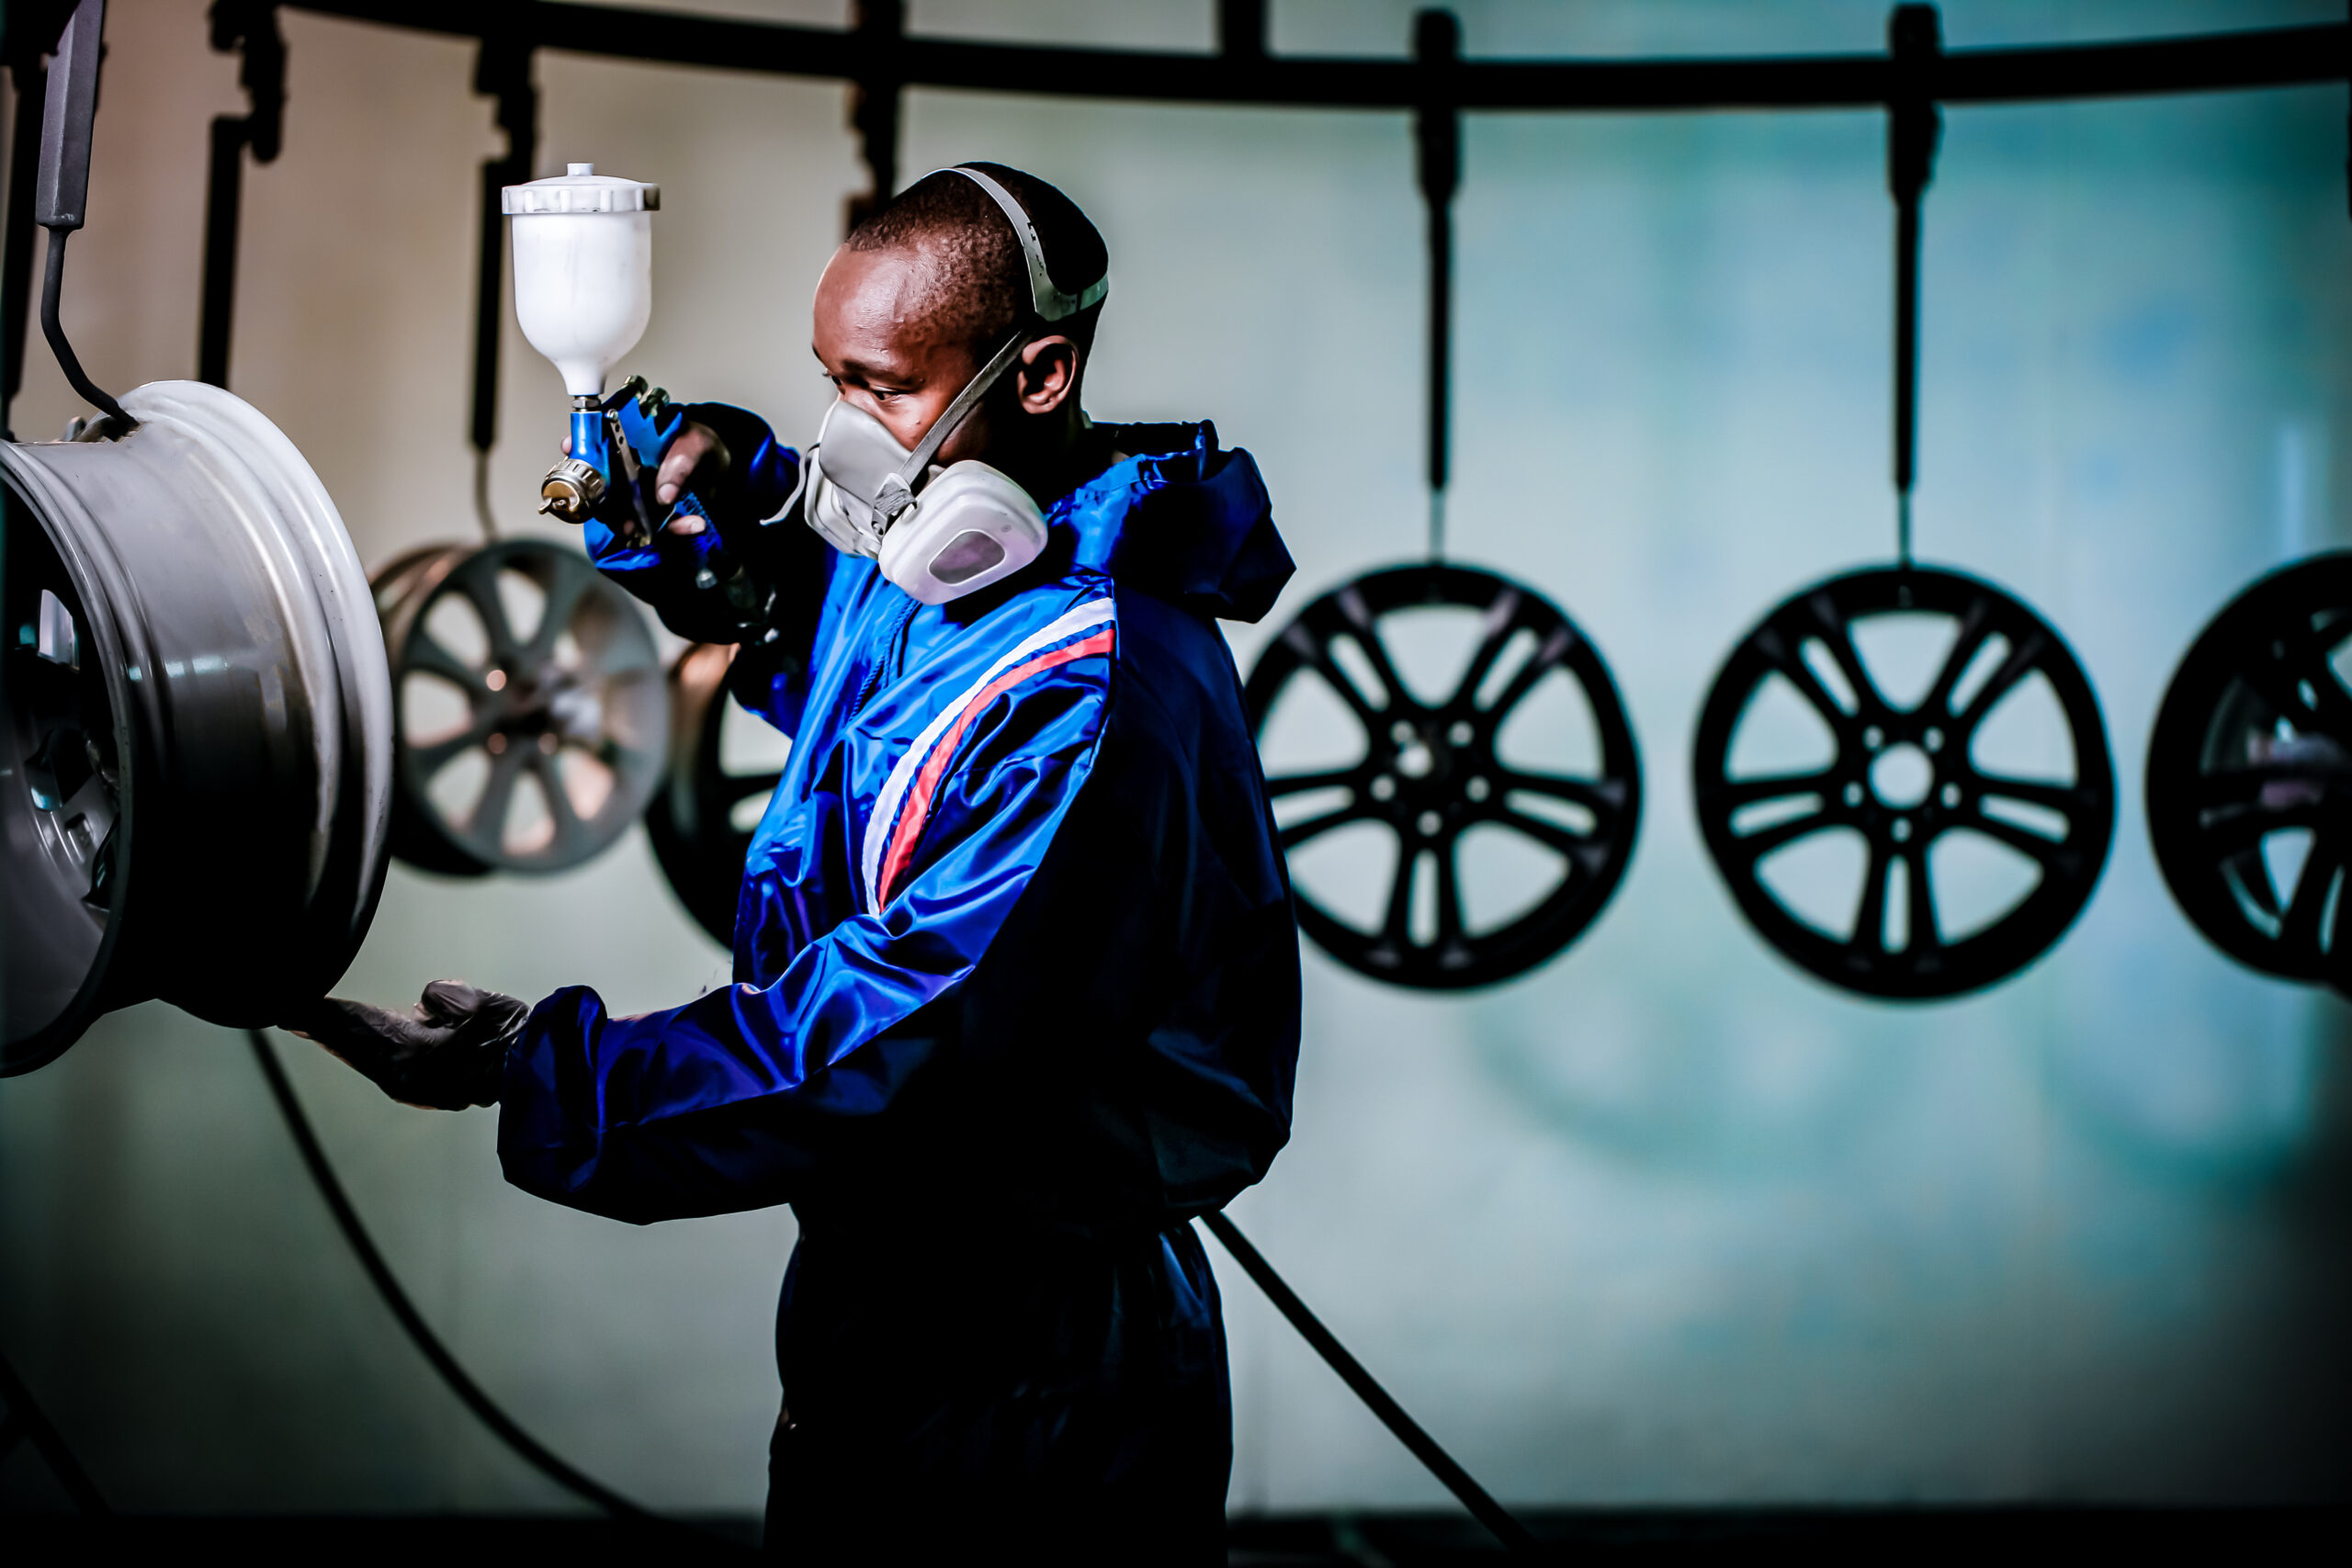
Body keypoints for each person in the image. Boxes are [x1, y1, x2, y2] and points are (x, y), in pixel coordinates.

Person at [292, 163, 1301, 1563]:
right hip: (885, 1300)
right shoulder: (951, 581)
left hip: (1039, 1369)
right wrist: (742, 536)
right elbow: (865, 724)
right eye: (826, 379)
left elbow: (893, 1033)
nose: (845, 434)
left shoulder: (1096, 686)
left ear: (1042, 372)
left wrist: (541, 1068)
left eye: (882, 388)